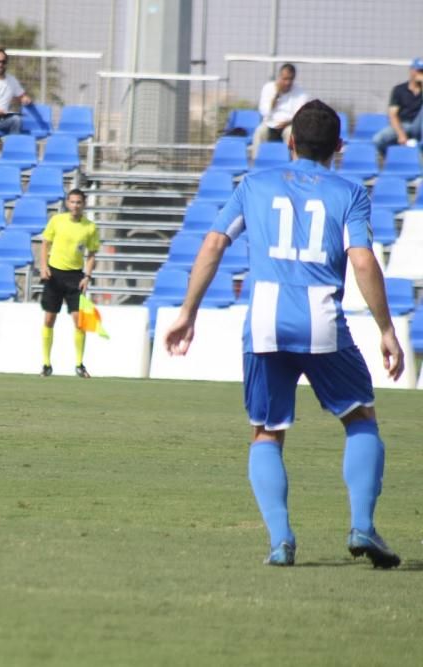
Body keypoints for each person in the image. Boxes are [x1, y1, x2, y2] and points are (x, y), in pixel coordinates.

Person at [164, 100, 405, 569]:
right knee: (359, 417)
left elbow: (214, 243)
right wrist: (386, 329)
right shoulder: (350, 192)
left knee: (266, 432)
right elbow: (361, 259)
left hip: (265, 321)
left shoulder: (254, 185)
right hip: (320, 318)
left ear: (289, 141)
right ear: (339, 147)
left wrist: (188, 311)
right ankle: (361, 525)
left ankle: (280, 541)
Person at [39, 188, 100, 378]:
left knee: (79, 321)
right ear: (67, 203)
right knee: (49, 319)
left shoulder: (90, 227)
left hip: (75, 277)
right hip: (54, 274)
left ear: (84, 204)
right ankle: (46, 364)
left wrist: (87, 276)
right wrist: (43, 266)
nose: (75, 205)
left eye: (79, 202)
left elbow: (91, 254)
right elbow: (45, 244)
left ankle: (79, 364)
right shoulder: (57, 221)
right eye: (72, 202)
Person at [252, 63, 308, 153]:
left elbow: (300, 115)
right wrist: (277, 95)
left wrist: (286, 123)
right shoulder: (268, 88)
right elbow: (264, 111)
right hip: (270, 123)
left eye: (291, 79)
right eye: (285, 79)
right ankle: (257, 161)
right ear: (279, 77)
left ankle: (289, 162)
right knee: (259, 132)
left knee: (290, 134)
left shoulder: (300, 92)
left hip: (289, 124)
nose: (288, 82)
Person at [372, 57, 423, 155]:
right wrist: (401, 134)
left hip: (419, 126)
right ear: (412, 71)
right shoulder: (399, 90)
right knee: (377, 140)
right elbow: (393, 115)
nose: (421, 74)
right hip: (403, 125)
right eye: (419, 71)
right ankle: (394, 159)